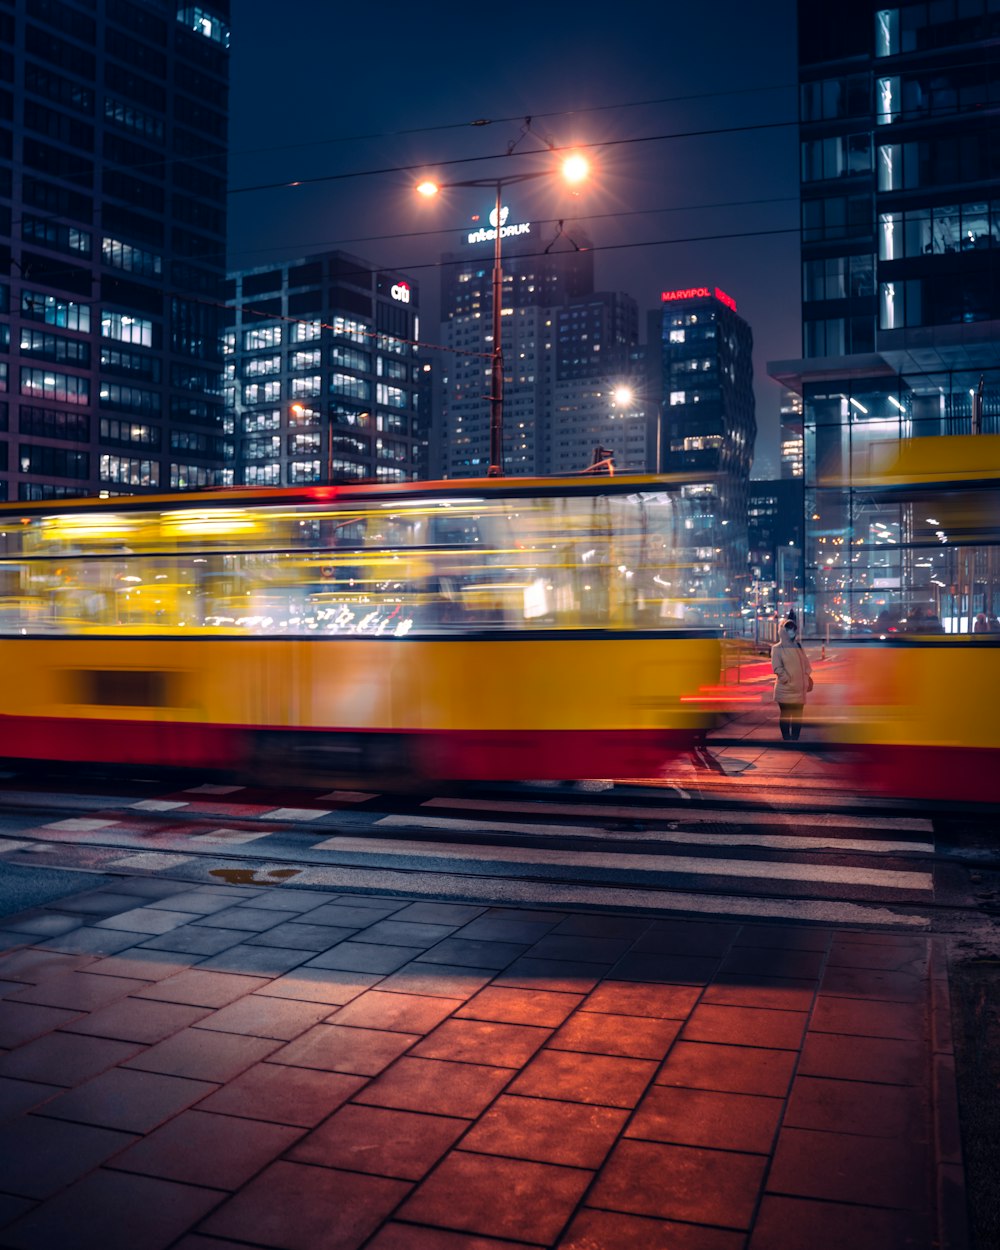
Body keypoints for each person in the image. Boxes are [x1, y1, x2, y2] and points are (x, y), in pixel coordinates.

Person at [771, 614, 813, 742]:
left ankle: (795, 739)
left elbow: (806, 664)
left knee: (797, 717)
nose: (792, 632)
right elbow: (777, 668)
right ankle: (786, 739)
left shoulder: (798, 646)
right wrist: (787, 680)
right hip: (786, 689)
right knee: (786, 715)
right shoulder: (777, 648)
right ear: (783, 631)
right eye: (789, 629)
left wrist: (806, 675)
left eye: (793, 629)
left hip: (800, 689)